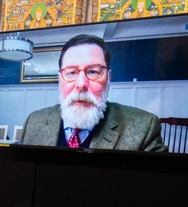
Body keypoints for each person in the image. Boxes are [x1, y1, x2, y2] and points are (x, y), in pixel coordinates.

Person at [20, 34, 167, 152]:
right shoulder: (33, 122)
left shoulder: (144, 128)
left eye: (93, 72)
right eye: (71, 72)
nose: (81, 84)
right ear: (60, 79)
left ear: (108, 78)